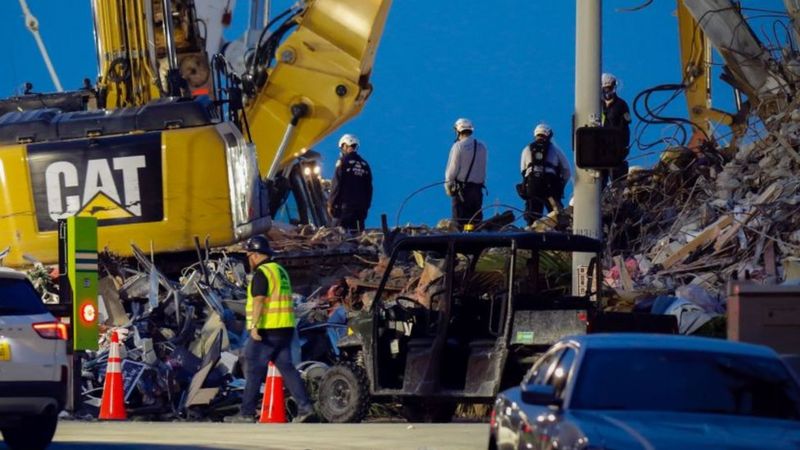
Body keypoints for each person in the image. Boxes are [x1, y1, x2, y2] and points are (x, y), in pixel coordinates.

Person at [225, 235, 314, 423]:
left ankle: (246, 413)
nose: (248, 260)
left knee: (253, 366)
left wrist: (254, 327)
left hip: (267, 329)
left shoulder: (261, 273)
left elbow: (258, 301)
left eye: (249, 255)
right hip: (285, 327)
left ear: (256, 255)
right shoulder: (279, 270)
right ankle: (305, 408)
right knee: (287, 368)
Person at [519, 123, 571, 225]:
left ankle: (532, 234)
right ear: (549, 135)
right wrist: (560, 186)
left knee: (532, 218)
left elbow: (523, 171)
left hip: (533, 187)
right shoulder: (555, 150)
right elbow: (567, 171)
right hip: (550, 187)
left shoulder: (526, 150)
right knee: (557, 218)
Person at [444, 118, 487, 229]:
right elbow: (482, 169)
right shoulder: (482, 146)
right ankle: (474, 244)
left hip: (462, 192)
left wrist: (448, 187)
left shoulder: (458, 146)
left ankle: (461, 245)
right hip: (477, 191)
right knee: (474, 223)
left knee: (460, 223)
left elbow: (451, 171)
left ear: (458, 131)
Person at [328, 133, 373, 231]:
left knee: (336, 237)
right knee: (356, 238)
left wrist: (330, 203)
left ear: (345, 145)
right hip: (360, 211)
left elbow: (336, 185)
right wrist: (365, 208)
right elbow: (369, 189)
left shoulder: (343, 162)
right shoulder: (365, 165)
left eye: (342, 147)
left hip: (344, 210)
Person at [601, 73, 632, 186]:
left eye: (610, 88)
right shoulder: (597, 105)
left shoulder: (621, 104)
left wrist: (623, 146)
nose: (608, 92)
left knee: (618, 179)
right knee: (599, 180)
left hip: (617, 147)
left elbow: (626, 125)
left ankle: (618, 197)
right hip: (601, 150)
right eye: (605, 89)